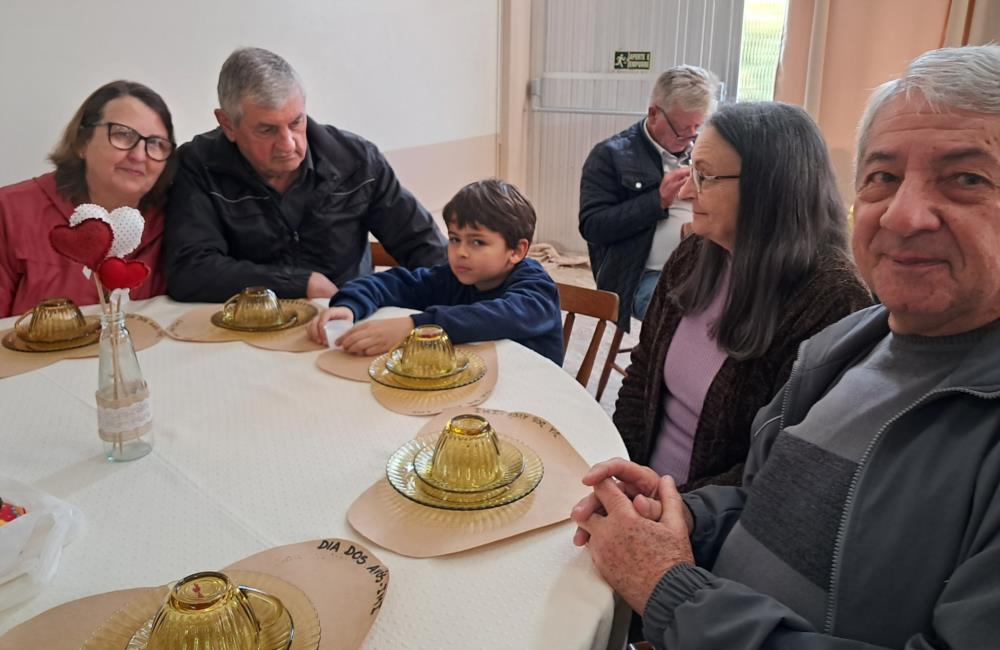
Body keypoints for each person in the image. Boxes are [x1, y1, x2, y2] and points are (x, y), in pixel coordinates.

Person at [572, 45, 1000, 649]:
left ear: (771, 189)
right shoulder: (851, 345)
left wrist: (669, 587)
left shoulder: (830, 302)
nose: (903, 216)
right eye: (883, 176)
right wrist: (684, 513)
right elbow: (762, 487)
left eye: (967, 178)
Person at [613, 101, 872, 491]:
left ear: (768, 187)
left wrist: (671, 507)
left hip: (714, 524)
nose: (685, 191)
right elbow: (642, 373)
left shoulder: (833, 297)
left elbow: (786, 464)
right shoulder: (695, 252)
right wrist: (622, 470)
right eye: (691, 170)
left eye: (704, 176)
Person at [164, 47, 446, 303]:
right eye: (267, 130)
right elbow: (190, 270)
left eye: (296, 122)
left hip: (347, 321)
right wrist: (299, 283)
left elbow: (425, 247)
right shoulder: (200, 165)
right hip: (247, 330)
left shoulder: (357, 160)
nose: (288, 144)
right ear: (227, 124)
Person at [307, 179, 563, 365]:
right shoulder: (451, 278)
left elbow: (494, 317)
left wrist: (413, 327)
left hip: (530, 401)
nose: (460, 252)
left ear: (517, 251)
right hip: (470, 389)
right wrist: (349, 306)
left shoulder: (536, 290)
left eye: (477, 242)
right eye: (454, 239)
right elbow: (394, 283)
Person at [0, 81, 176, 317]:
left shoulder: (176, 219)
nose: (138, 155)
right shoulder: (11, 211)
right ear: (82, 142)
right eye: (123, 135)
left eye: (156, 144)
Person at [579, 65, 718, 330]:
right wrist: (657, 201)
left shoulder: (701, 148)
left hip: (703, 269)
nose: (690, 140)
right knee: (689, 321)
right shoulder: (610, 155)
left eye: (697, 128)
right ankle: (663, 368)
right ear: (654, 113)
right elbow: (593, 227)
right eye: (681, 130)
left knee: (742, 308)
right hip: (639, 277)